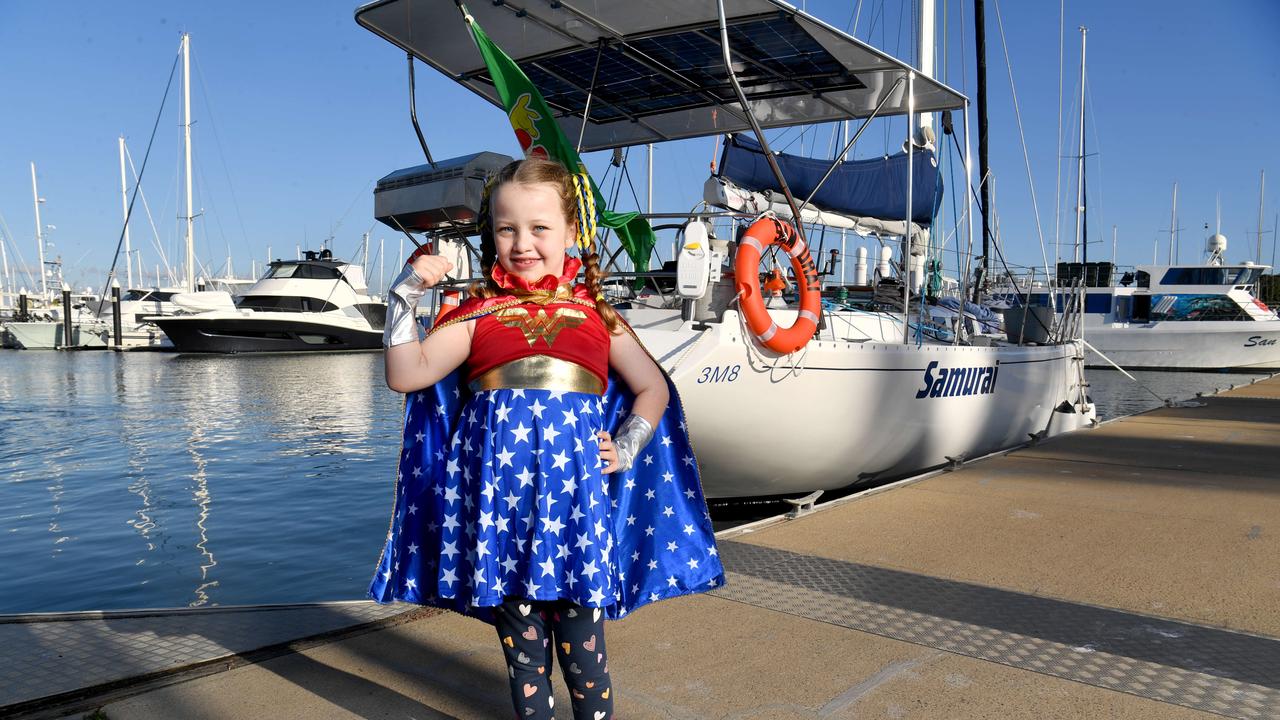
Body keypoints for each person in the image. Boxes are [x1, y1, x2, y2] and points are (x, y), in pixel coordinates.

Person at [370, 157, 724, 720]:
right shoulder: (477, 315)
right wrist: (405, 294)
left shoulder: (596, 317)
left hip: (577, 519)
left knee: (587, 658)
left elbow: (652, 388)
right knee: (526, 661)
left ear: (572, 233)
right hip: (501, 524)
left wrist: (629, 442)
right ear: (491, 234)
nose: (523, 242)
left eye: (540, 228)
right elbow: (405, 373)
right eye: (507, 228)